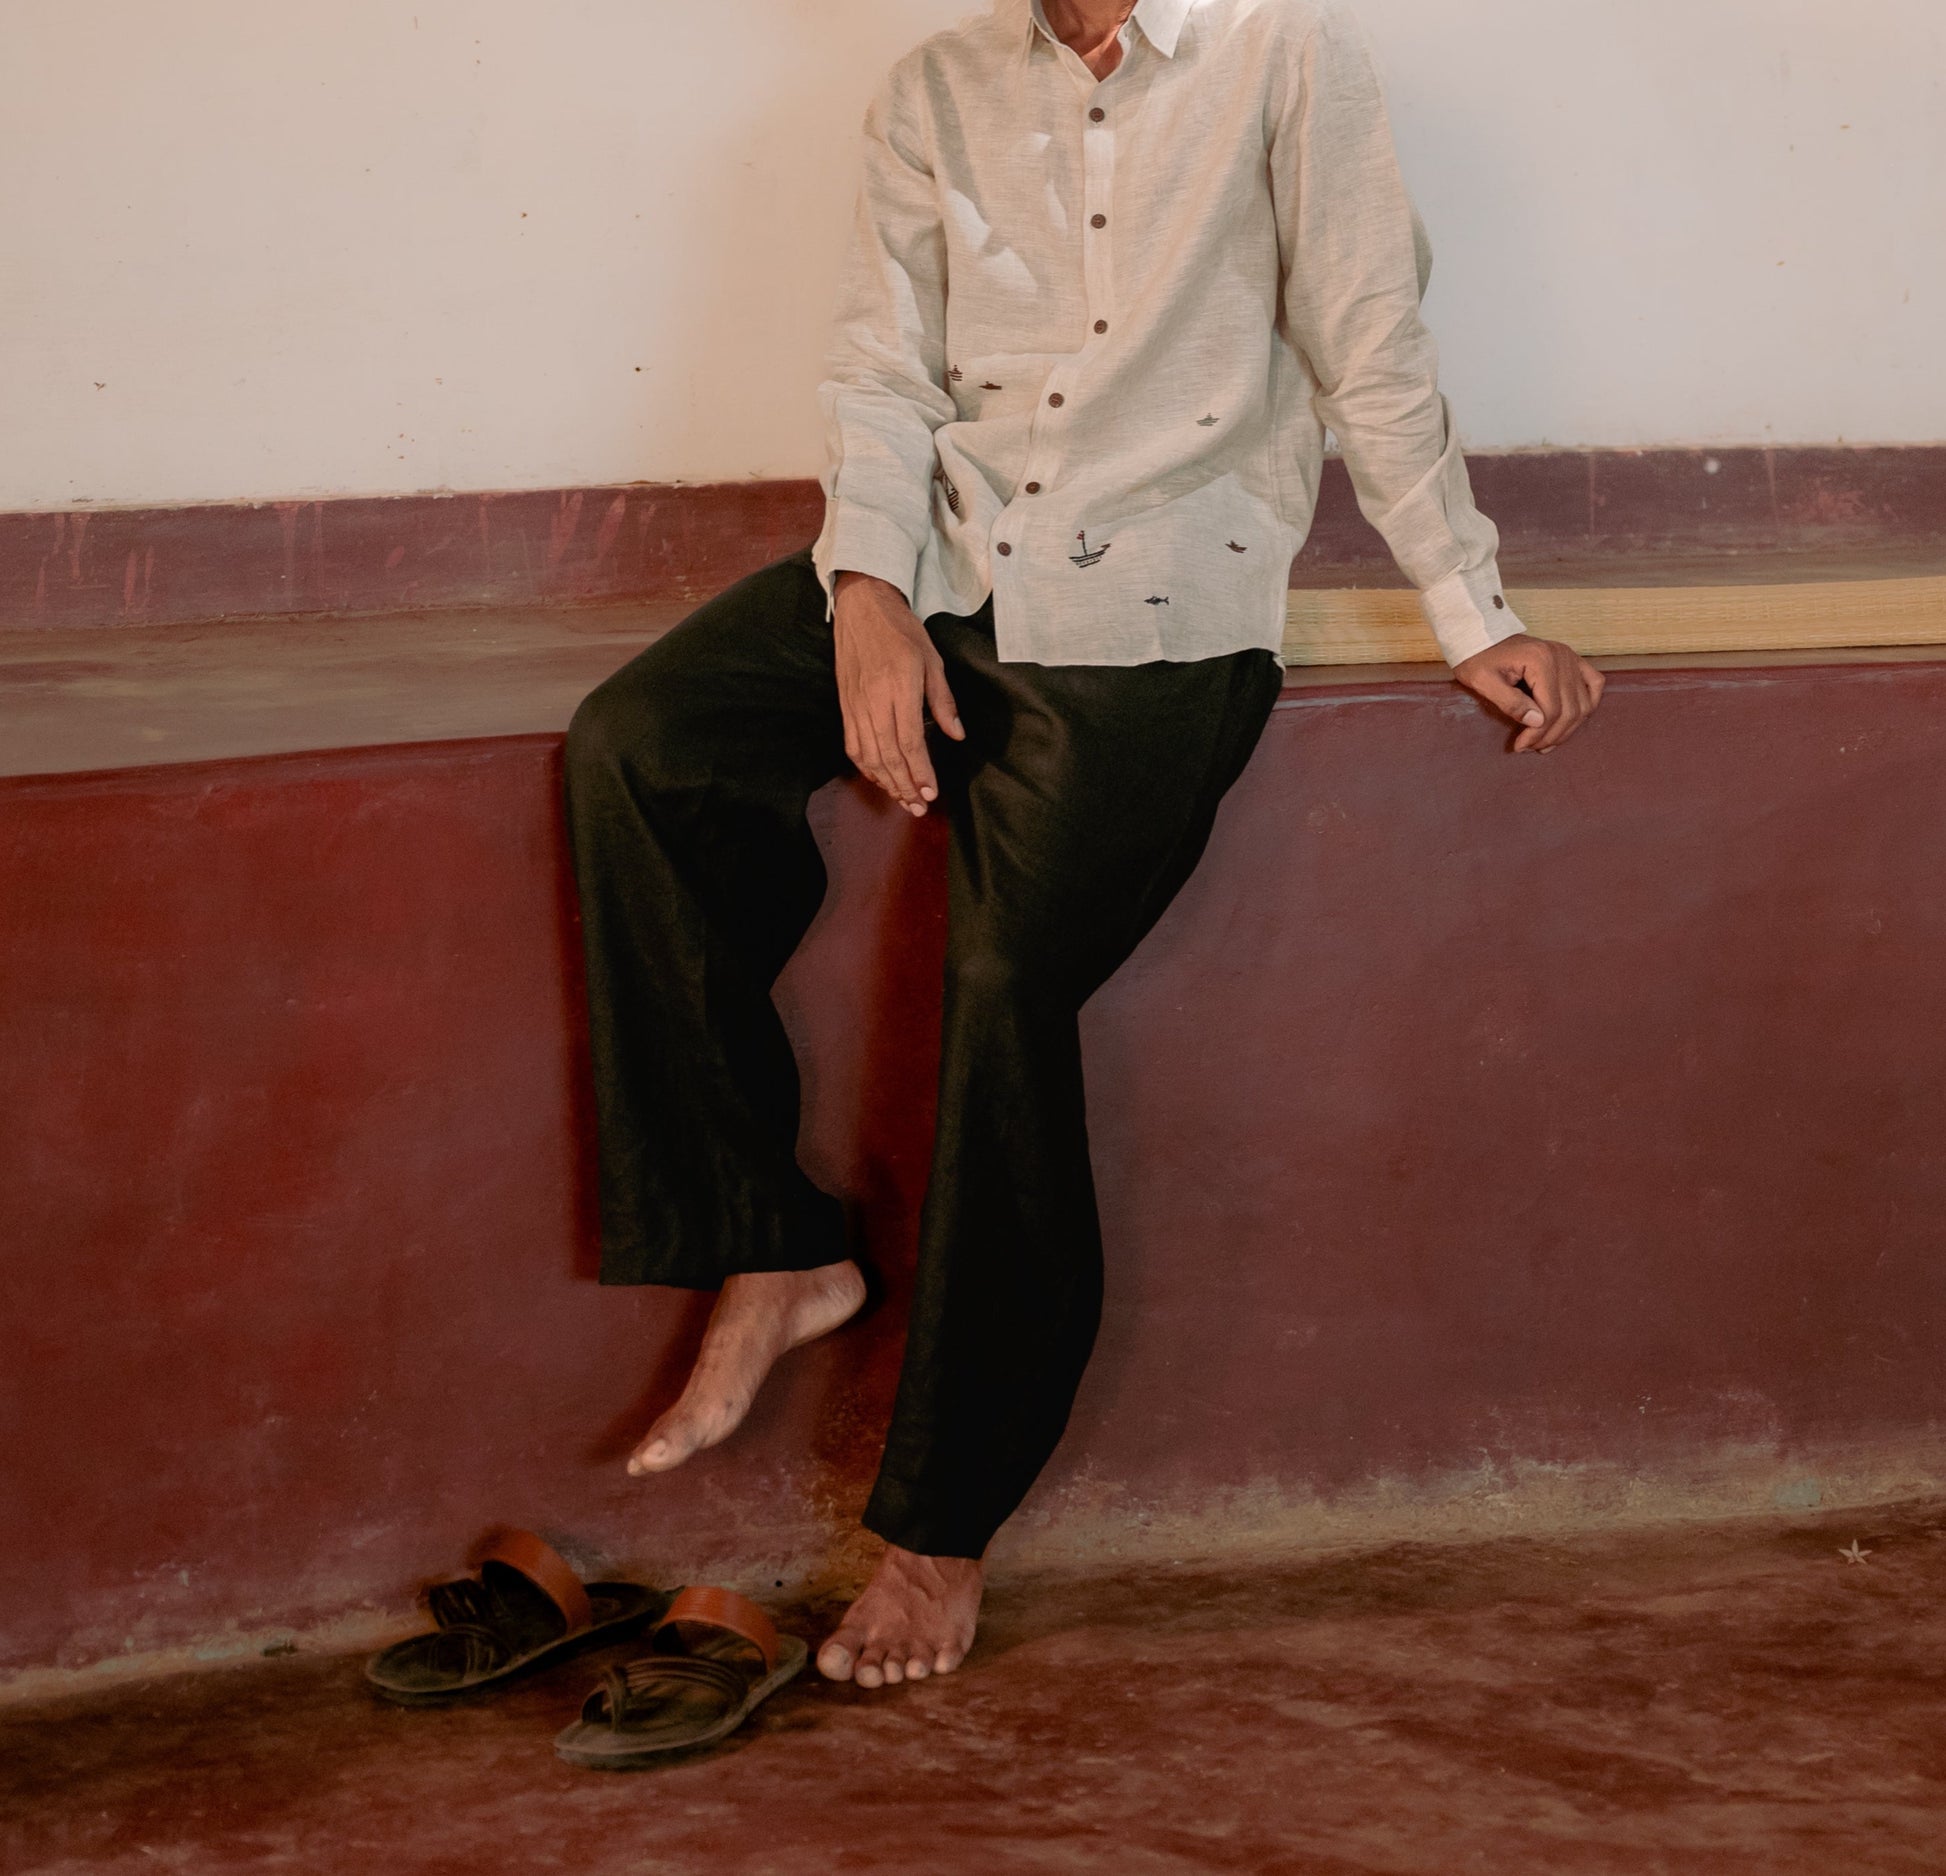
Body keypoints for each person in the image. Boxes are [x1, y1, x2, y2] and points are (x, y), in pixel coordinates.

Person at [563, 0, 1604, 1692]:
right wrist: (867, 595)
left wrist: (1468, 607)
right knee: (645, 744)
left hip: (1161, 611)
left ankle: (937, 1532)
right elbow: (882, 370)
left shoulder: (1285, 57)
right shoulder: (934, 91)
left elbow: (1365, 336)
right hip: (959, 564)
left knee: (1001, 979)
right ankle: (773, 1241)